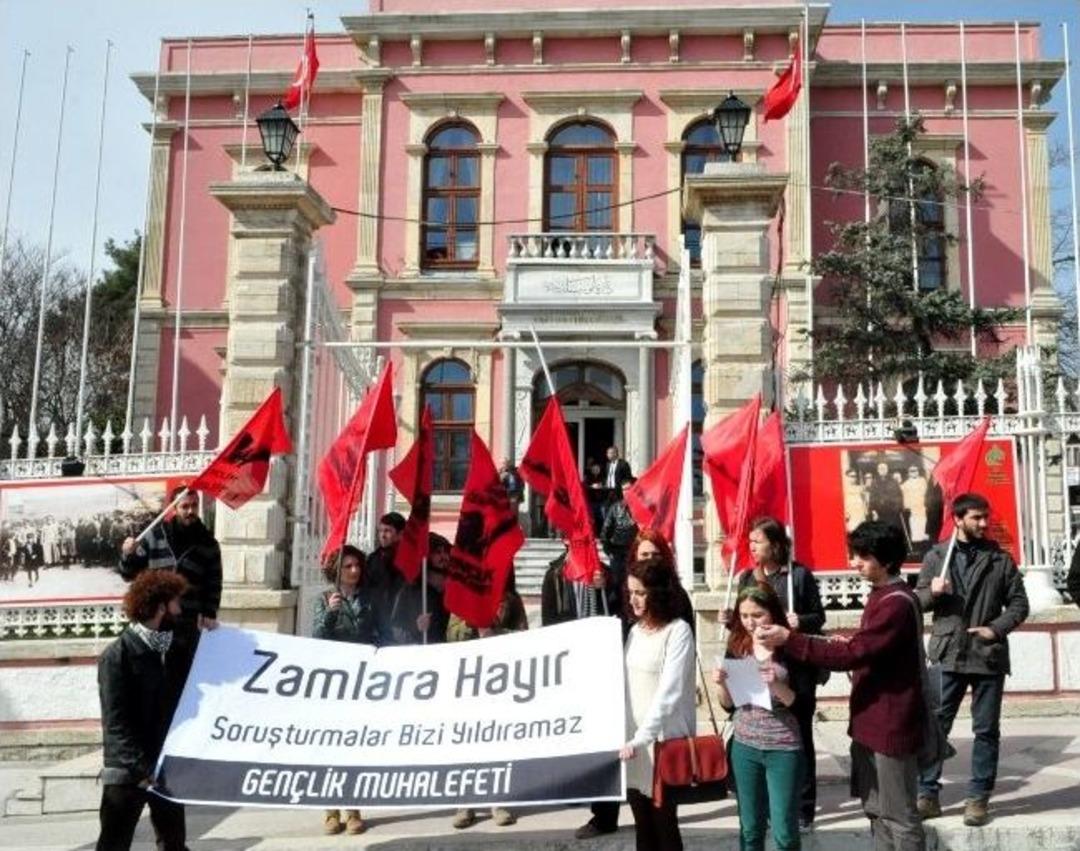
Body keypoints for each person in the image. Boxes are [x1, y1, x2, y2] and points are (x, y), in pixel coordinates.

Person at [757, 521, 926, 851]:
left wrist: (792, 640)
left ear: (887, 560)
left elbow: (855, 653)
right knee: (876, 811)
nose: (855, 563)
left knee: (899, 816)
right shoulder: (881, 596)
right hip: (871, 722)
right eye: (854, 555)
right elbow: (866, 648)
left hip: (891, 725)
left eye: (863, 557)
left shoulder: (896, 603)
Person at [914, 492, 1029, 827]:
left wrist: (996, 629)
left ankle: (978, 798)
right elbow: (916, 603)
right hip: (948, 652)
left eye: (985, 517)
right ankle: (927, 792)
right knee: (936, 725)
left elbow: (1019, 605)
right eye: (976, 518)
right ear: (958, 519)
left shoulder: (1000, 559)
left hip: (987, 655)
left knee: (986, 730)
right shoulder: (937, 556)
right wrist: (931, 592)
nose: (983, 523)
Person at [738, 517, 826, 830]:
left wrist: (800, 620)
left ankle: (803, 807)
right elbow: (742, 620)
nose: (752, 548)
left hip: (795, 667)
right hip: (759, 666)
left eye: (757, 542)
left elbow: (819, 616)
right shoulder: (747, 577)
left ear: (775, 545)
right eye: (750, 543)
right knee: (759, 733)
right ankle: (766, 801)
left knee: (799, 732)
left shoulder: (798, 575)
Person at [95, 570, 189, 851]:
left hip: (164, 768)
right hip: (127, 772)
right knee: (114, 844)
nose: (180, 610)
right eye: (176, 603)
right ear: (161, 607)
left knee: (174, 844)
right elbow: (115, 724)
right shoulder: (117, 656)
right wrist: (143, 769)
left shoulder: (171, 648)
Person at [539, 540, 621, 840]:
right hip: (569, 665)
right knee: (572, 734)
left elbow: (620, 612)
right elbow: (548, 620)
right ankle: (576, 784)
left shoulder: (607, 574)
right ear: (564, 541)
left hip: (602, 667)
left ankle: (604, 810)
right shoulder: (554, 575)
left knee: (601, 737)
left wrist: (605, 589)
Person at [714, 583, 803, 851]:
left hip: (783, 747)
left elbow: (801, 704)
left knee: (784, 832)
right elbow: (728, 705)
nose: (750, 623)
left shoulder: (791, 645)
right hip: (745, 745)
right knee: (750, 829)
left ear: (772, 613)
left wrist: (775, 683)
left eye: (757, 615)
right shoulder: (738, 644)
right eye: (744, 616)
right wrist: (721, 683)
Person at [619, 557, 696, 851]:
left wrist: (642, 738)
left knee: (664, 825)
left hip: (660, 743)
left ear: (658, 593)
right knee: (643, 826)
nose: (634, 600)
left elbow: (669, 693)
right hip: (634, 747)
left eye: (641, 593)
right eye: (631, 593)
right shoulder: (636, 631)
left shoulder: (678, 632)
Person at [446, 571, 528, 830]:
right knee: (467, 743)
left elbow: (525, 639)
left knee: (497, 742)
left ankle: (499, 800)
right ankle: (466, 803)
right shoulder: (462, 600)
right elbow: (451, 635)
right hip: (469, 681)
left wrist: (493, 631)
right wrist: (473, 623)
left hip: (500, 681)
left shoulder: (511, 600)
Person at [313, 545, 380, 835]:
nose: (354, 571)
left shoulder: (368, 600)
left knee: (353, 746)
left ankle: (353, 809)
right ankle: (331, 811)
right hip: (333, 681)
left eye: (357, 566)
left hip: (360, 679)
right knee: (331, 747)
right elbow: (317, 636)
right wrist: (330, 613)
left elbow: (377, 632)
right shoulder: (324, 599)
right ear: (337, 570)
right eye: (348, 566)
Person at [120, 488, 222, 671]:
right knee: (152, 674)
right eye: (185, 506)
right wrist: (128, 555)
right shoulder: (154, 536)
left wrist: (210, 612)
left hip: (188, 622)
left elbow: (214, 581)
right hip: (155, 620)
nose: (191, 511)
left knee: (183, 675)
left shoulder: (208, 543)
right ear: (174, 509)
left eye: (194, 506)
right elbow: (127, 574)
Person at [380, 533, 451, 646]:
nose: (444, 557)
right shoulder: (410, 590)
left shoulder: (454, 589)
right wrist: (415, 627)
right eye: (437, 552)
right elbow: (396, 628)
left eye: (445, 552)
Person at [629, 530, 694, 636]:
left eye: (656, 555)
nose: (650, 559)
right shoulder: (626, 591)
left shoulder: (677, 595)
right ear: (635, 556)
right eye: (644, 555)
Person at [600, 483, 638, 592]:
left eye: (629, 489)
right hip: (617, 551)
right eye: (624, 489)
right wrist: (609, 551)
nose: (627, 492)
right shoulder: (615, 508)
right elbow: (605, 531)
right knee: (617, 581)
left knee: (633, 581)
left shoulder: (639, 507)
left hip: (633, 550)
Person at [365, 512, 406, 600]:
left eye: (387, 531)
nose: (382, 535)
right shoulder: (373, 558)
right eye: (380, 531)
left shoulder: (408, 560)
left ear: (400, 534)